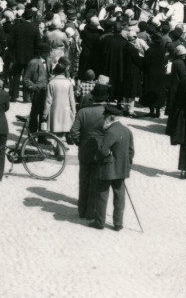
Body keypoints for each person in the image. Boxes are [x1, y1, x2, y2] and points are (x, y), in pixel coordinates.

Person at [89, 106, 134, 231]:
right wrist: (127, 166)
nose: (104, 119)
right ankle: (118, 223)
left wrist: (96, 158)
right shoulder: (127, 131)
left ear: (111, 118)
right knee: (119, 196)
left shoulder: (110, 132)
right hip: (122, 168)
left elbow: (103, 150)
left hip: (108, 168)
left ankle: (100, 222)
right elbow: (131, 151)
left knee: (102, 194)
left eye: (105, 117)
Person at [69, 83, 108, 218]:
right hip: (100, 151)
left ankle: (82, 210)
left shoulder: (83, 112)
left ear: (93, 97)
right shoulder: (107, 113)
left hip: (84, 150)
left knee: (84, 180)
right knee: (95, 182)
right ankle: (91, 211)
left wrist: (79, 142)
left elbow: (73, 131)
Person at [44, 57, 76, 138]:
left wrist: (45, 114)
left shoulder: (51, 83)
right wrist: (74, 111)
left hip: (54, 112)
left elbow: (48, 101)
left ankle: (58, 145)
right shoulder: (69, 83)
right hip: (66, 111)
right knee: (62, 134)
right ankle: (60, 145)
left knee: (56, 135)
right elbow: (71, 99)